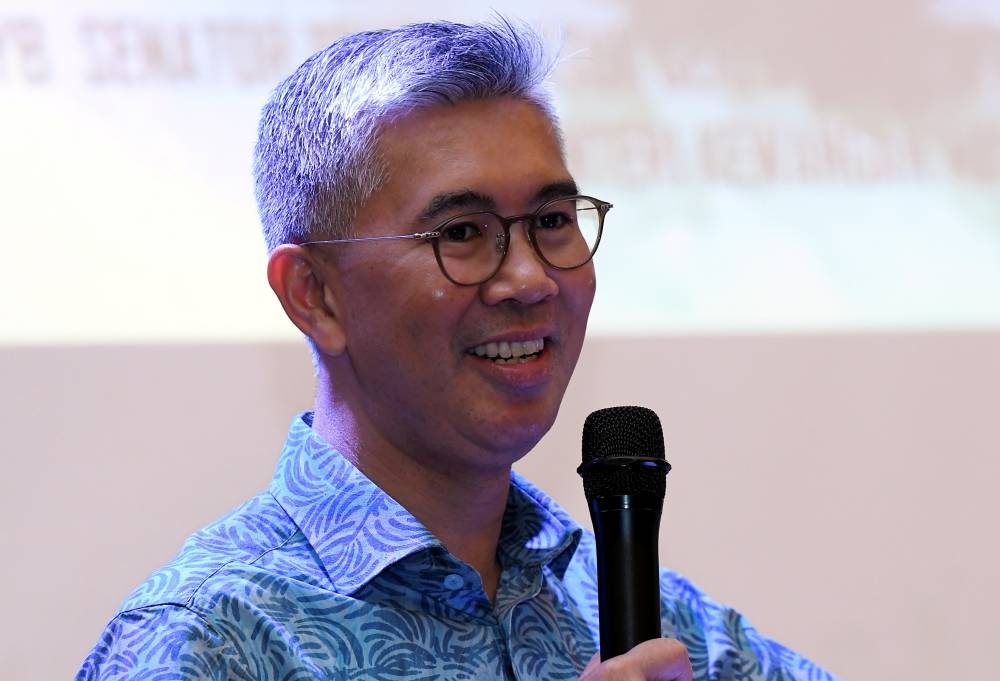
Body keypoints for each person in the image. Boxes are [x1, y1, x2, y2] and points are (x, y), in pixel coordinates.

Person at [77, 19, 837, 681]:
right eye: (463, 233)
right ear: (314, 293)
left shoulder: (635, 612)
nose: (531, 279)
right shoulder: (207, 639)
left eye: (552, 220)